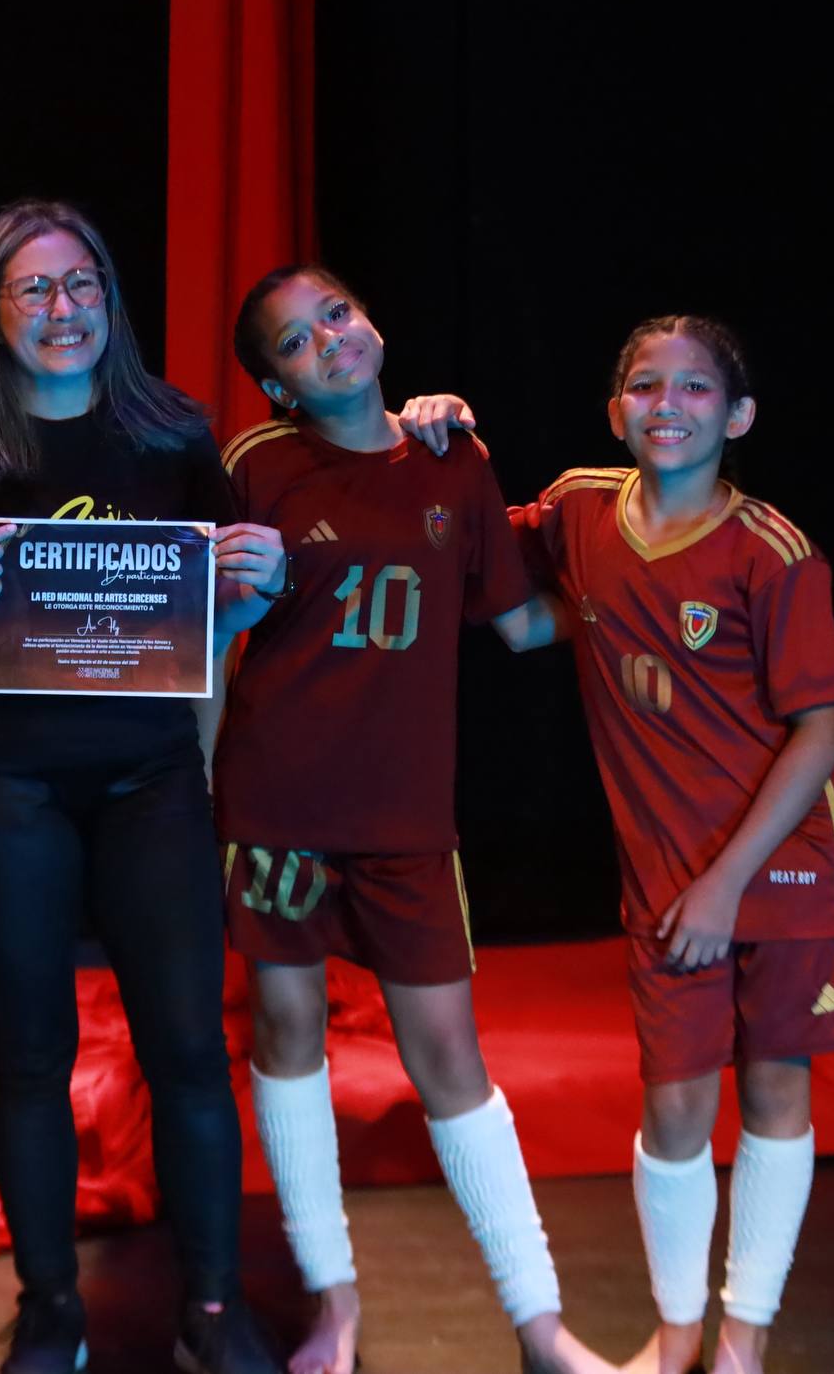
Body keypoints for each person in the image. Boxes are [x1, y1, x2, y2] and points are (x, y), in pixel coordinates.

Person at [418, 314, 834, 1374]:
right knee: (673, 1102)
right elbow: (489, 569)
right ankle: (676, 1336)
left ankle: (742, 1340)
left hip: (781, 862)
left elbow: (823, 732)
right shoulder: (580, 509)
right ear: (615, 409)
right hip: (667, 873)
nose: (668, 404)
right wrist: (441, 440)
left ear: (739, 417)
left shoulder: (772, 551)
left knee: (773, 1085)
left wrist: (725, 886)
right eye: (644, 385)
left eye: (695, 388)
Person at [0, 199, 287, 1374]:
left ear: (109, 298)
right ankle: (50, 1305)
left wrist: (258, 579)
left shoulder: (171, 433)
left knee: (188, 1047)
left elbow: (217, 610)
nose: (62, 309)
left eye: (83, 285)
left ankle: (211, 1305)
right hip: (3, 782)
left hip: (149, 776)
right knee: (29, 1055)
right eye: (34, 288)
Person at [212, 266, 621, 1374]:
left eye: (336, 315)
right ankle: (333, 1302)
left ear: (371, 320)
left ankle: (539, 1325)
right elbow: (205, 632)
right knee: (286, 1033)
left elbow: (521, 624)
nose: (328, 341)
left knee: (449, 1054)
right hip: (278, 803)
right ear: (276, 384)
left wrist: (635, 606)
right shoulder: (256, 465)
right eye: (296, 342)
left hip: (405, 815)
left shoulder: (454, 457)